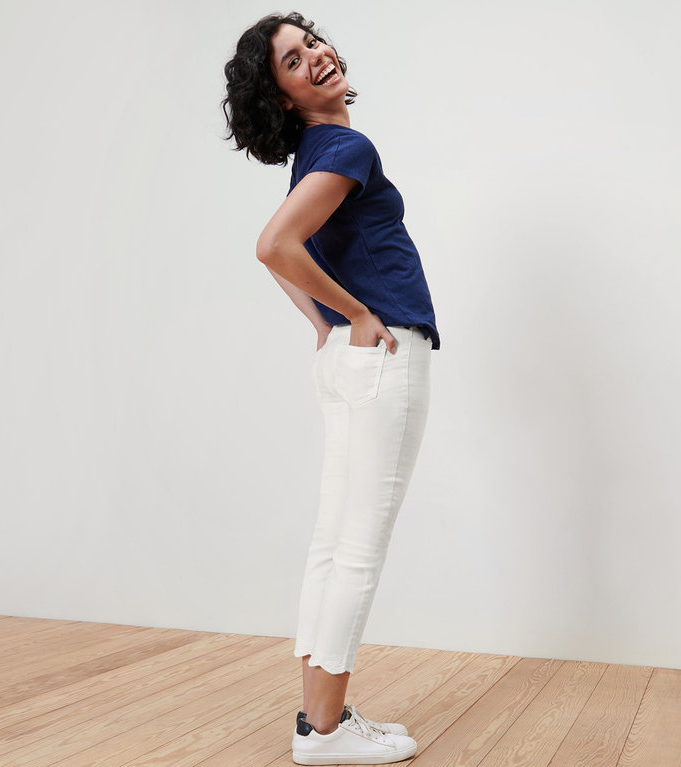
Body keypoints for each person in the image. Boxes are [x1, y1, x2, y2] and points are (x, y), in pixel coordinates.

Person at [223, 12, 440, 765]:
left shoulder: (316, 155)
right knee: (358, 550)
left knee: (331, 544)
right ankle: (324, 732)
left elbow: (280, 249)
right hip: (383, 355)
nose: (314, 56)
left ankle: (324, 719)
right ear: (282, 97)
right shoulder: (346, 147)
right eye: (292, 60)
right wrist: (350, 312)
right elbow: (273, 245)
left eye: (311, 42)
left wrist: (322, 324)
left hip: (348, 363)